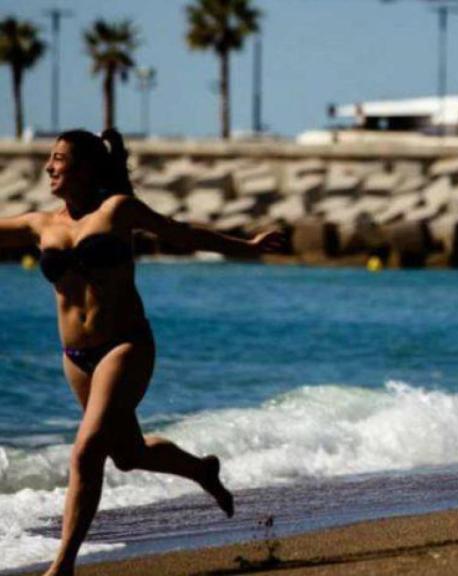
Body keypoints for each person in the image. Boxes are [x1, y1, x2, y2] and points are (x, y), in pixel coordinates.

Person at [0, 129, 286, 576]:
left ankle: (62, 567)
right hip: (76, 358)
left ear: (87, 168)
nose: (49, 167)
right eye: (49, 159)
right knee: (127, 454)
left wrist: (246, 247)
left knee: (85, 452)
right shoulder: (41, 224)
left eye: (59, 159)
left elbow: (184, 235)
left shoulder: (117, 210)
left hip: (125, 345)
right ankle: (201, 471)